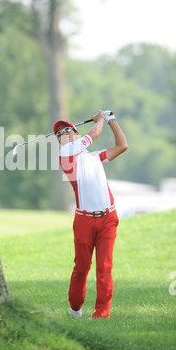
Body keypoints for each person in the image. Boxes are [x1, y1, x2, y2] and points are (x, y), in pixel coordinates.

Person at [53, 110, 128, 319]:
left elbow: (122, 146)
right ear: (59, 141)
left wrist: (112, 120)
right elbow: (93, 135)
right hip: (84, 219)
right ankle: (75, 308)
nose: (65, 134)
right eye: (60, 133)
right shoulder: (65, 155)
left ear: (76, 133)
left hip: (108, 218)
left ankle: (102, 314)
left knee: (105, 266)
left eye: (68, 129)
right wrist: (101, 119)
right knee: (82, 266)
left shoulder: (95, 157)